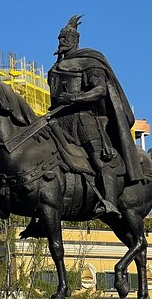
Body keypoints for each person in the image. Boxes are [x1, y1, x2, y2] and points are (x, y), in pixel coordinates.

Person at [48, 15, 145, 217]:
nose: (61, 42)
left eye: (65, 38)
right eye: (60, 38)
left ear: (75, 41)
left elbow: (100, 90)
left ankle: (109, 202)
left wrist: (74, 98)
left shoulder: (89, 62)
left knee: (100, 157)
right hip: (58, 119)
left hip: (83, 118)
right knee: (43, 154)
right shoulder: (55, 67)